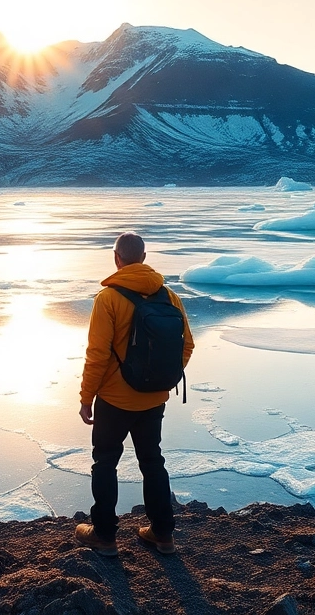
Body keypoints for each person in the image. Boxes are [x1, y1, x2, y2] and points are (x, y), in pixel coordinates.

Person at [74, 231, 194, 556]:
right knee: (152, 462)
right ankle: (163, 534)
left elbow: (97, 354)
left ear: (117, 258)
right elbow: (188, 345)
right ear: (143, 257)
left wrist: (87, 398)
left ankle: (104, 535)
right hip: (154, 399)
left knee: (105, 462)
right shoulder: (169, 296)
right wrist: (160, 381)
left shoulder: (109, 299)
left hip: (114, 399)